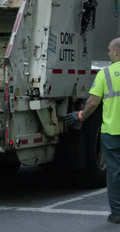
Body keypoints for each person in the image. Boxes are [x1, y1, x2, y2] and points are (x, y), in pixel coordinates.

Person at [66, 37, 120, 224]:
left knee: (114, 173)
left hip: (112, 132)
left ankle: (117, 213)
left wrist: (80, 116)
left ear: (116, 52)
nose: (107, 53)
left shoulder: (105, 75)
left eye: (109, 50)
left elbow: (93, 102)